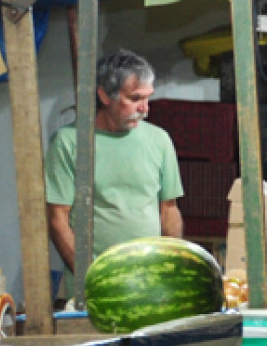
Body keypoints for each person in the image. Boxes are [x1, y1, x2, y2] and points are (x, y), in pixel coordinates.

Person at [44, 50, 184, 273]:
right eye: (135, 98)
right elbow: (57, 219)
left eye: (147, 98)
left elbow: (169, 210)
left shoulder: (159, 140)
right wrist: (90, 276)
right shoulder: (69, 142)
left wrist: (171, 267)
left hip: (149, 278)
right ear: (105, 96)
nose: (145, 108)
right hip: (95, 280)